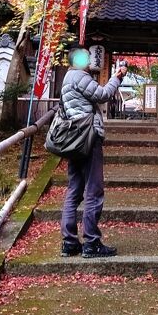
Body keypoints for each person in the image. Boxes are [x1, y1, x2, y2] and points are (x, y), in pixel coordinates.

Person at [59, 48, 127, 258]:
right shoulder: (80, 76)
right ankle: (91, 242)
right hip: (88, 138)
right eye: (85, 57)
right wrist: (117, 77)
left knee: (74, 189)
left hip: (73, 140)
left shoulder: (67, 78)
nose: (89, 60)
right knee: (93, 189)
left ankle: (69, 242)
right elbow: (103, 95)